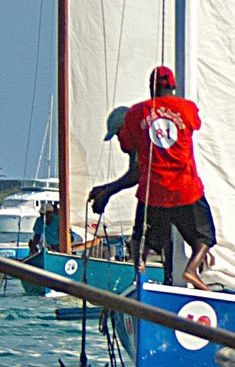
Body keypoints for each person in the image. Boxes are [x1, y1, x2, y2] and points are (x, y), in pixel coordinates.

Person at [87, 66, 216, 286]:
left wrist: (107, 191)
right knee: (203, 238)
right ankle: (189, 270)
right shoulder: (186, 109)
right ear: (173, 86)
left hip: (155, 193)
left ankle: (141, 276)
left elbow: (135, 173)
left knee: (141, 239)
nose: (119, 141)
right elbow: (194, 123)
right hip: (186, 189)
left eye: (118, 134)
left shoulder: (136, 119)